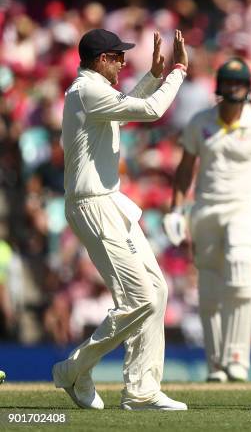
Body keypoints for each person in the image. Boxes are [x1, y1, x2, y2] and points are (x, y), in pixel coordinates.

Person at [53, 28, 189, 411]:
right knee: (139, 298)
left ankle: (142, 391)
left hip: (111, 202)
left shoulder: (95, 92)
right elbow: (149, 111)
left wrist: (154, 77)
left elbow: (127, 108)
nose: (124, 63)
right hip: (92, 205)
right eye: (119, 57)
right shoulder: (86, 90)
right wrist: (178, 70)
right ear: (101, 60)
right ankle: (73, 369)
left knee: (157, 292)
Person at [163, 57, 251, 383]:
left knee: (241, 276)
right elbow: (185, 168)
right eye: (227, 83)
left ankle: (237, 357)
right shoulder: (200, 122)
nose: (233, 89)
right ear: (218, 86)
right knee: (211, 288)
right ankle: (216, 364)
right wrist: (175, 208)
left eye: (238, 83)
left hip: (244, 208)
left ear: (248, 88)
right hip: (205, 209)